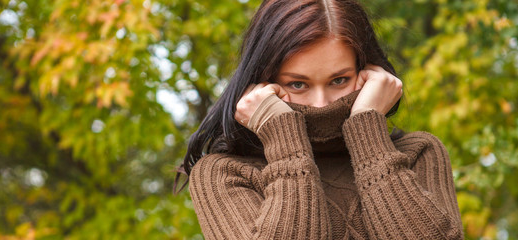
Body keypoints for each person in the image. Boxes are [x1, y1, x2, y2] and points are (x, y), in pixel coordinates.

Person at [181, 0, 464, 239]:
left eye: (339, 80)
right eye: (297, 85)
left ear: (368, 73)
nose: (321, 103)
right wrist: (286, 149)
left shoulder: (419, 153)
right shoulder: (224, 173)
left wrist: (368, 133)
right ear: (262, 83)